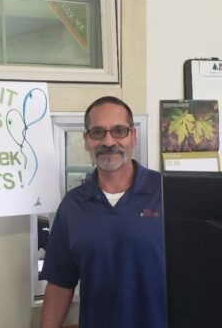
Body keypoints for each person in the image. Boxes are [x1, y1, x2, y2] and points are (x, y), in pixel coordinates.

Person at [40, 96, 166, 328]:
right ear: (86, 141)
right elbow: (60, 283)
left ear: (133, 137)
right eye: (98, 132)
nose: (108, 141)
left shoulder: (167, 194)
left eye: (119, 131)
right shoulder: (73, 205)